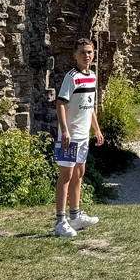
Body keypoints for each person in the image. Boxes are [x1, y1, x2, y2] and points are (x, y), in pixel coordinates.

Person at [54, 37, 104, 238]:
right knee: (66, 175)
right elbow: (60, 103)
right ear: (75, 55)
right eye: (83, 52)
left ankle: (75, 216)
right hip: (70, 135)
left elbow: (90, 105)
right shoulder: (71, 77)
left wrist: (97, 129)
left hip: (83, 136)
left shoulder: (92, 76)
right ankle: (60, 221)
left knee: (79, 173)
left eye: (90, 52)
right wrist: (65, 131)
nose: (87, 56)